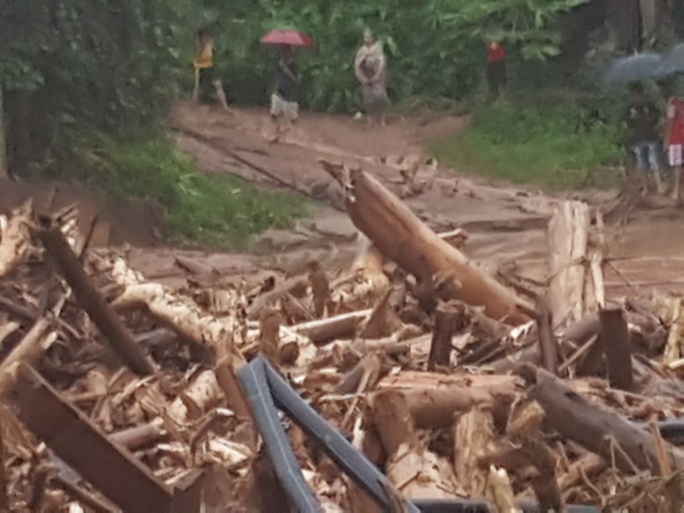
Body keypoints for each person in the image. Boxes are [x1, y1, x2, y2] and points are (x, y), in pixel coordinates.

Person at [624, 82, 664, 195]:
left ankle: (659, 186)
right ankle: (645, 187)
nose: (637, 96)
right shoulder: (631, 109)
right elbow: (627, 125)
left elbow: (658, 118)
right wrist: (632, 119)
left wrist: (651, 119)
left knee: (654, 163)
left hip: (651, 136)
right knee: (642, 164)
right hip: (638, 138)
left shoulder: (650, 106)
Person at [354, 29, 389, 127]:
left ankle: (382, 119)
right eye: (365, 37)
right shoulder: (361, 51)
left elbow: (382, 63)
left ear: (373, 38)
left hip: (378, 77)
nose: (367, 39)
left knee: (381, 98)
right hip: (366, 77)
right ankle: (370, 120)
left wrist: (377, 75)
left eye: (369, 37)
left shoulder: (378, 48)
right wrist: (362, 77)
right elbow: (357, 65)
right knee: (368, 100)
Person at [192, 28, 230, 110]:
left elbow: (213, 54)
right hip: (201, 67)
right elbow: (197, 55)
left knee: (218, 85)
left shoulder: (210, 43)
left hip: (210, 66)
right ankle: (193, 105)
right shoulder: (199, 43)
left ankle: (225, 107)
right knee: (199, 88)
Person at [269, 45, 299, 143]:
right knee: (274, 114)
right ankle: (276, 134)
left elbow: (296, 79)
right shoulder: (279, 63)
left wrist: (286, 70)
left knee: (291, 118)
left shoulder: (294, 65)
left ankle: (289, 136)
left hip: (290, 93)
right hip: (279, 90)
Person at [664, 93, 684, 203]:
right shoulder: (682, 105)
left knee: (677, 167)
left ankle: (676, 191)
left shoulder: (673, 106)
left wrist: (666, 140)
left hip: (675, 140)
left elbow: (670, 123)